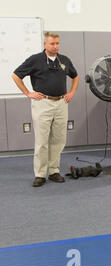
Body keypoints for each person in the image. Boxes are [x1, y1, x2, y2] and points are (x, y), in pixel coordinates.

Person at [12, 32, 79, 187]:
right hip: (43, 103)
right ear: (45, 44)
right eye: (52, 44)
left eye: (57, 43)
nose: (55, 46)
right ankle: (40, 174)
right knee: (42, 141)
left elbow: (75, 76)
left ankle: (54, 171)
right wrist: (28, 93)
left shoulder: (64, 60)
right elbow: (16, 76)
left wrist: (71, 92)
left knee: (59, 140)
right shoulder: (35, 60)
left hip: (61, 103)